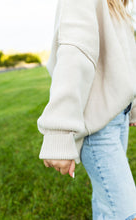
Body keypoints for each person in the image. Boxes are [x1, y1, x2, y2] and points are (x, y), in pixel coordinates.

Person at [37, 0, 136, 219]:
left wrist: (132, 107)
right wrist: (60, 132)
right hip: (97, 125)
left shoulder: (117, 5)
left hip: (117, 116)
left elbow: (124, 59)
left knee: (106, 206)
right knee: (127, 212)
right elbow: (75, 53)